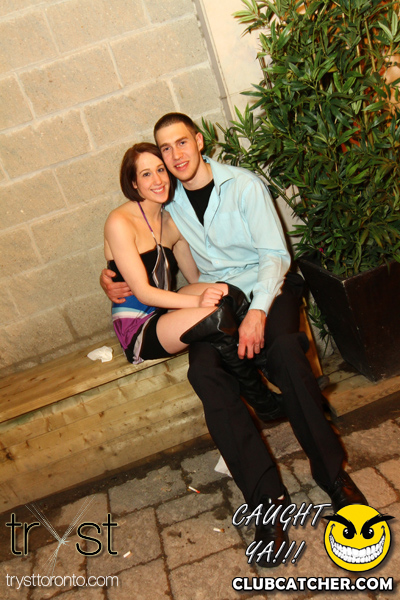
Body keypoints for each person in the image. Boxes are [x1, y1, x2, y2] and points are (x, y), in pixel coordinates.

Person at [101, 114, 367, 567]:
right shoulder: (168, 201)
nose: (175, 156)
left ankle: (333, 477)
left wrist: (258, 312)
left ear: (199, 141)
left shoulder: (243, 185)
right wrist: (107, 278)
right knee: (205, 374)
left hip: (268, 287)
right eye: (165, 149)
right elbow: (134, 248)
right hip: (217, 300)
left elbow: (275, 255)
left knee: (285, 352)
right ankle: (268, 501)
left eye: (181, 143)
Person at [104, 142, 280, 415]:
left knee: (228, 292)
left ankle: (281, 375)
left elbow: (196, 277)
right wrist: (198, 302)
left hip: (164, 311)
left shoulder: (171, 222)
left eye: (161, 169)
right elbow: (143, 292)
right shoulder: (119, 221)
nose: (158, 180)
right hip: (139, 327)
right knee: (216, 317)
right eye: (146, 174)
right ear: (134, 183)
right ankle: (264, 403)